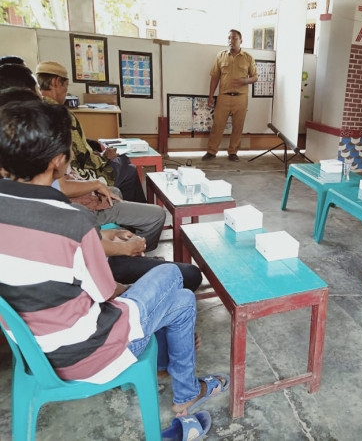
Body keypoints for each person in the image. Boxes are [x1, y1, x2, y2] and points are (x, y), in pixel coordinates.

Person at [0, 99, 227, 416]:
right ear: (58, 161)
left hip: (33, 353)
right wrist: (136, 272)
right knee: (173, 278)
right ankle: (181, 384)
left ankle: (184, 390)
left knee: (182, 301)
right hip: (89, 354)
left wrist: (103, 242)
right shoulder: (69, 221)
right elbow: (107, 292)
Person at [0, 85, 166, 252]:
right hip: (90, 227)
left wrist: (109, 236)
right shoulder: (73, 215)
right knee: (155, 213)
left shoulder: (15, 193)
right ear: (58, 160)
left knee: (115, 190)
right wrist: (126, 249)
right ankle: (140, 254)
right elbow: (86, 251)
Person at [35, 60, 147, 203]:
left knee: (123, 164)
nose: (66, 92)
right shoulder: (61, 114)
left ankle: (132, 214)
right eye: (66, 86)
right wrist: (104, 156)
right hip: (73, 175)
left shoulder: (34, 108)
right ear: (56, 82)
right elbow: (83, 158)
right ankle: (136, 215)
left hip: (49, 174)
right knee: (126, 167)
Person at [203, 29, 258, 162]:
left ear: (241, 40)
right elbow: (215, 77)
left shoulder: (248, 58)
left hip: (241, 98)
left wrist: (244, 81)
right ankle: (211, 151)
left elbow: (255, 77)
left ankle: (233, 152)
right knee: (217, 125)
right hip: (224, 97)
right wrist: (211, 96)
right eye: (229, 38)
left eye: (234, 38)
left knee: (238, 126)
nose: (230, 41)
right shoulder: (221, 56)